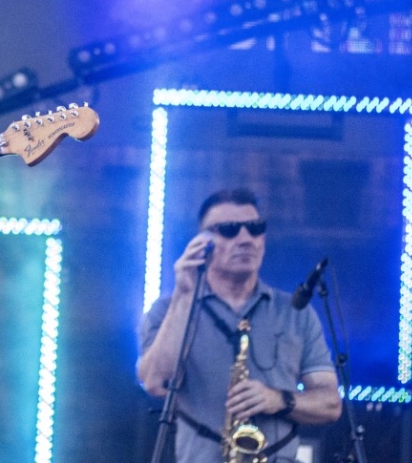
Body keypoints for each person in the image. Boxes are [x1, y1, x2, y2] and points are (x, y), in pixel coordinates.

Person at [137, 188, 343, 463]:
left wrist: (278, 399)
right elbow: (155, 382)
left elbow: (330, 404)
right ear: (202, 244)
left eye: (255, 229)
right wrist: (184, 295)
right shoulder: (167, 311)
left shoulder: (296, 313)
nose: (246, 239)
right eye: (229, 230)